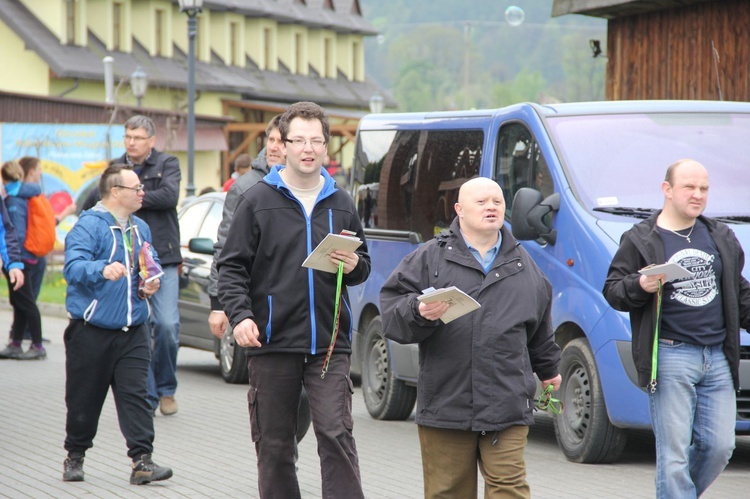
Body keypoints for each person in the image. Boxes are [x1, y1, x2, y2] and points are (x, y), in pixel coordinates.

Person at [217, 101, 370, 498]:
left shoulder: (342, 202)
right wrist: (241, 317)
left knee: (336, 434)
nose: (308, 148)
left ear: (326, 146)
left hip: (330, 344)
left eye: (316, 140)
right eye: (299, 139)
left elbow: (362, 265)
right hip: (272, 342)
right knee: (275, 444)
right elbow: (232, 267)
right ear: (282, 145)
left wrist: (353, 264)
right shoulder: (257, 200)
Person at [380, 177, 561, 499]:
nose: (491, 207)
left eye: (497, 201)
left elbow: (539, 328)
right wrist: (418, 311)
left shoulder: (524, 264)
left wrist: (549, 370)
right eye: (482, 202)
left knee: (510, 490)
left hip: (506, 404)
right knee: (447, 492)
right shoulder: (429, 258)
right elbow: (392, 315)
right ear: (459, 210)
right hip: (447, 404)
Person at [603, 159, 750, 498]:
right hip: (670, 356)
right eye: (689, 187)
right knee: (673, 456)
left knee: (719, 447)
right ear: (667, 190)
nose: (698, 195)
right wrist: (640, 285)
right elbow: (613, 290)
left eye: (704, 188)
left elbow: (739, 293)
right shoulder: (641, 238)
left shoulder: (720, 236)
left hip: (718, 357)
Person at [62, 163, 173, 485]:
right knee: (84, 399)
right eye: (136, 188)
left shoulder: (141, 228)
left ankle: (142, 461)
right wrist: (101, 269)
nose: (143, 193)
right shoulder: (88, 226)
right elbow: (73, 267)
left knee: (136, 397)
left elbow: (145, 270)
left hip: (134, 329)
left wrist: (147, 285)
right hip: (91, 331)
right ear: (115, 192)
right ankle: (75, 456)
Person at [81, 115, 183, 416]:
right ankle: (149, 397)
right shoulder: (115, 168)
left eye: (137, 138)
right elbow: (93, 200)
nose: (131, 142)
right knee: (140, 327)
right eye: (127, 136)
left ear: (151, 141)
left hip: (161, 256)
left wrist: (129, 195)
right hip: (124, 259)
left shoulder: (167, 164)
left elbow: (169, 196)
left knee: (166, 325)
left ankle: (167, 388)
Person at [208, 114, 285, 339]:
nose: (273, 147)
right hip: (254, 302)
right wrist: (218, 304)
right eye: (271, 140)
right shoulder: (245, 186)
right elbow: (225, 247)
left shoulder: (313, 185)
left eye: (281, 141)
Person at [0, 160, 46, 360]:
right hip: (23, 257)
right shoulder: (22, 196)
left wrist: (13, 261)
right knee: (19, 301)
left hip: (20, 259)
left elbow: (15, 233)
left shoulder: (13, 201)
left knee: (26, 301)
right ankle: (16, 343)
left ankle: (37, 345)